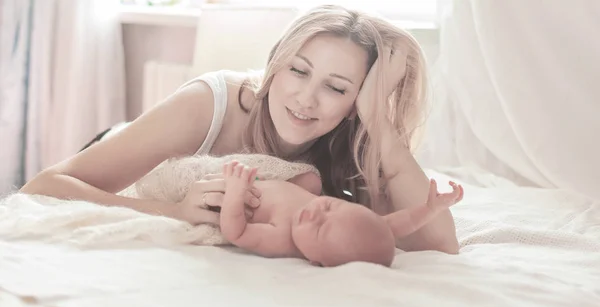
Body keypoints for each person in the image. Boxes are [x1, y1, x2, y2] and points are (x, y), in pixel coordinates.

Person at [20, 4, 460, 254]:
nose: (306, 99)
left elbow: (438, 244)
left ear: (355, 104)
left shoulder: (350, 137)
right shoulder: (207, 106)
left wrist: (379, 124)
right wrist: (169, 213)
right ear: (276, 63)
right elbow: (44, 186)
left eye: (336, 87)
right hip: (139, 155)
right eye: (298, 71)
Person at [220, 161, 464, 267]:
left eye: (318, 229)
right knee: (311, 180)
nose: (313, 212)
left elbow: (237, 232)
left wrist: (234, 191)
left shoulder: (282, 238)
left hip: (236, 188)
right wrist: (430, 209)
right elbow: (393, 225)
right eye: (329, 206)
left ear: (318, 261)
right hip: (270, 179)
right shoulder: (348, 224)